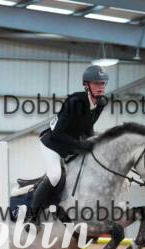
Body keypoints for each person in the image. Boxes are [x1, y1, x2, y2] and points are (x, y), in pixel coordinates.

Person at [31, 64, 109, 220]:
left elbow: (88, 126)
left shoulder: (101, 102)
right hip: (52, 144)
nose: (100, 87)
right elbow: (57, 133)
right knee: (55, 176)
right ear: (86, 85)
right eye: (96, 83)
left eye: (103, 83)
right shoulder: (74, 102)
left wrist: (95, 142)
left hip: (71, 145)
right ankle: (32, 217)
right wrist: (81, 145)